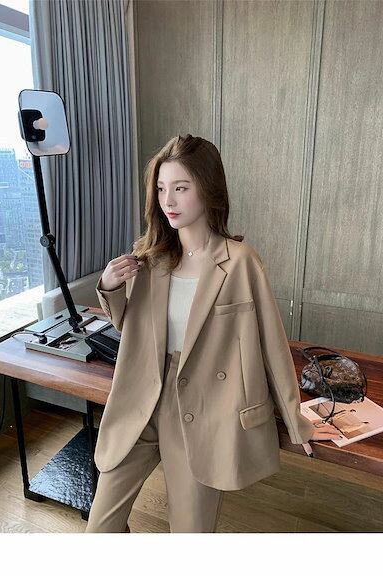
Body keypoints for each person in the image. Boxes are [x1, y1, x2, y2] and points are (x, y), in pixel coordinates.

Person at [85, 134, 340, 533]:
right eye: (161, 188)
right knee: (99, 527)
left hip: (201, 408)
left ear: (208, 188)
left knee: (190, 532)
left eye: (181, 188)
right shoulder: (149, 256)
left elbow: (271, 345)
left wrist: (295, 420)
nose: (168, 200)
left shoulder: (240, 262)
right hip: (140, 399)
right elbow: (130, 327)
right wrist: (110, 286)